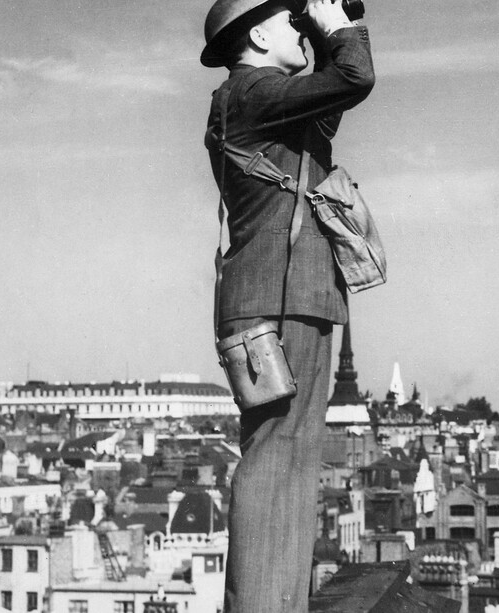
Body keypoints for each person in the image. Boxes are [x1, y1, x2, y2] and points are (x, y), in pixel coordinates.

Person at [200, 0, 374, 610]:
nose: (300, 27)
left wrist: (332, 28)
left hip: (289, 296)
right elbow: (355, 78)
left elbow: (328, 106)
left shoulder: (259, 105)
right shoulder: (250, 93)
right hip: (279, 300)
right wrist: (340, 29)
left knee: (293, 460)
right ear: (256, 33)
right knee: (278, 456)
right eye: (290, 20)